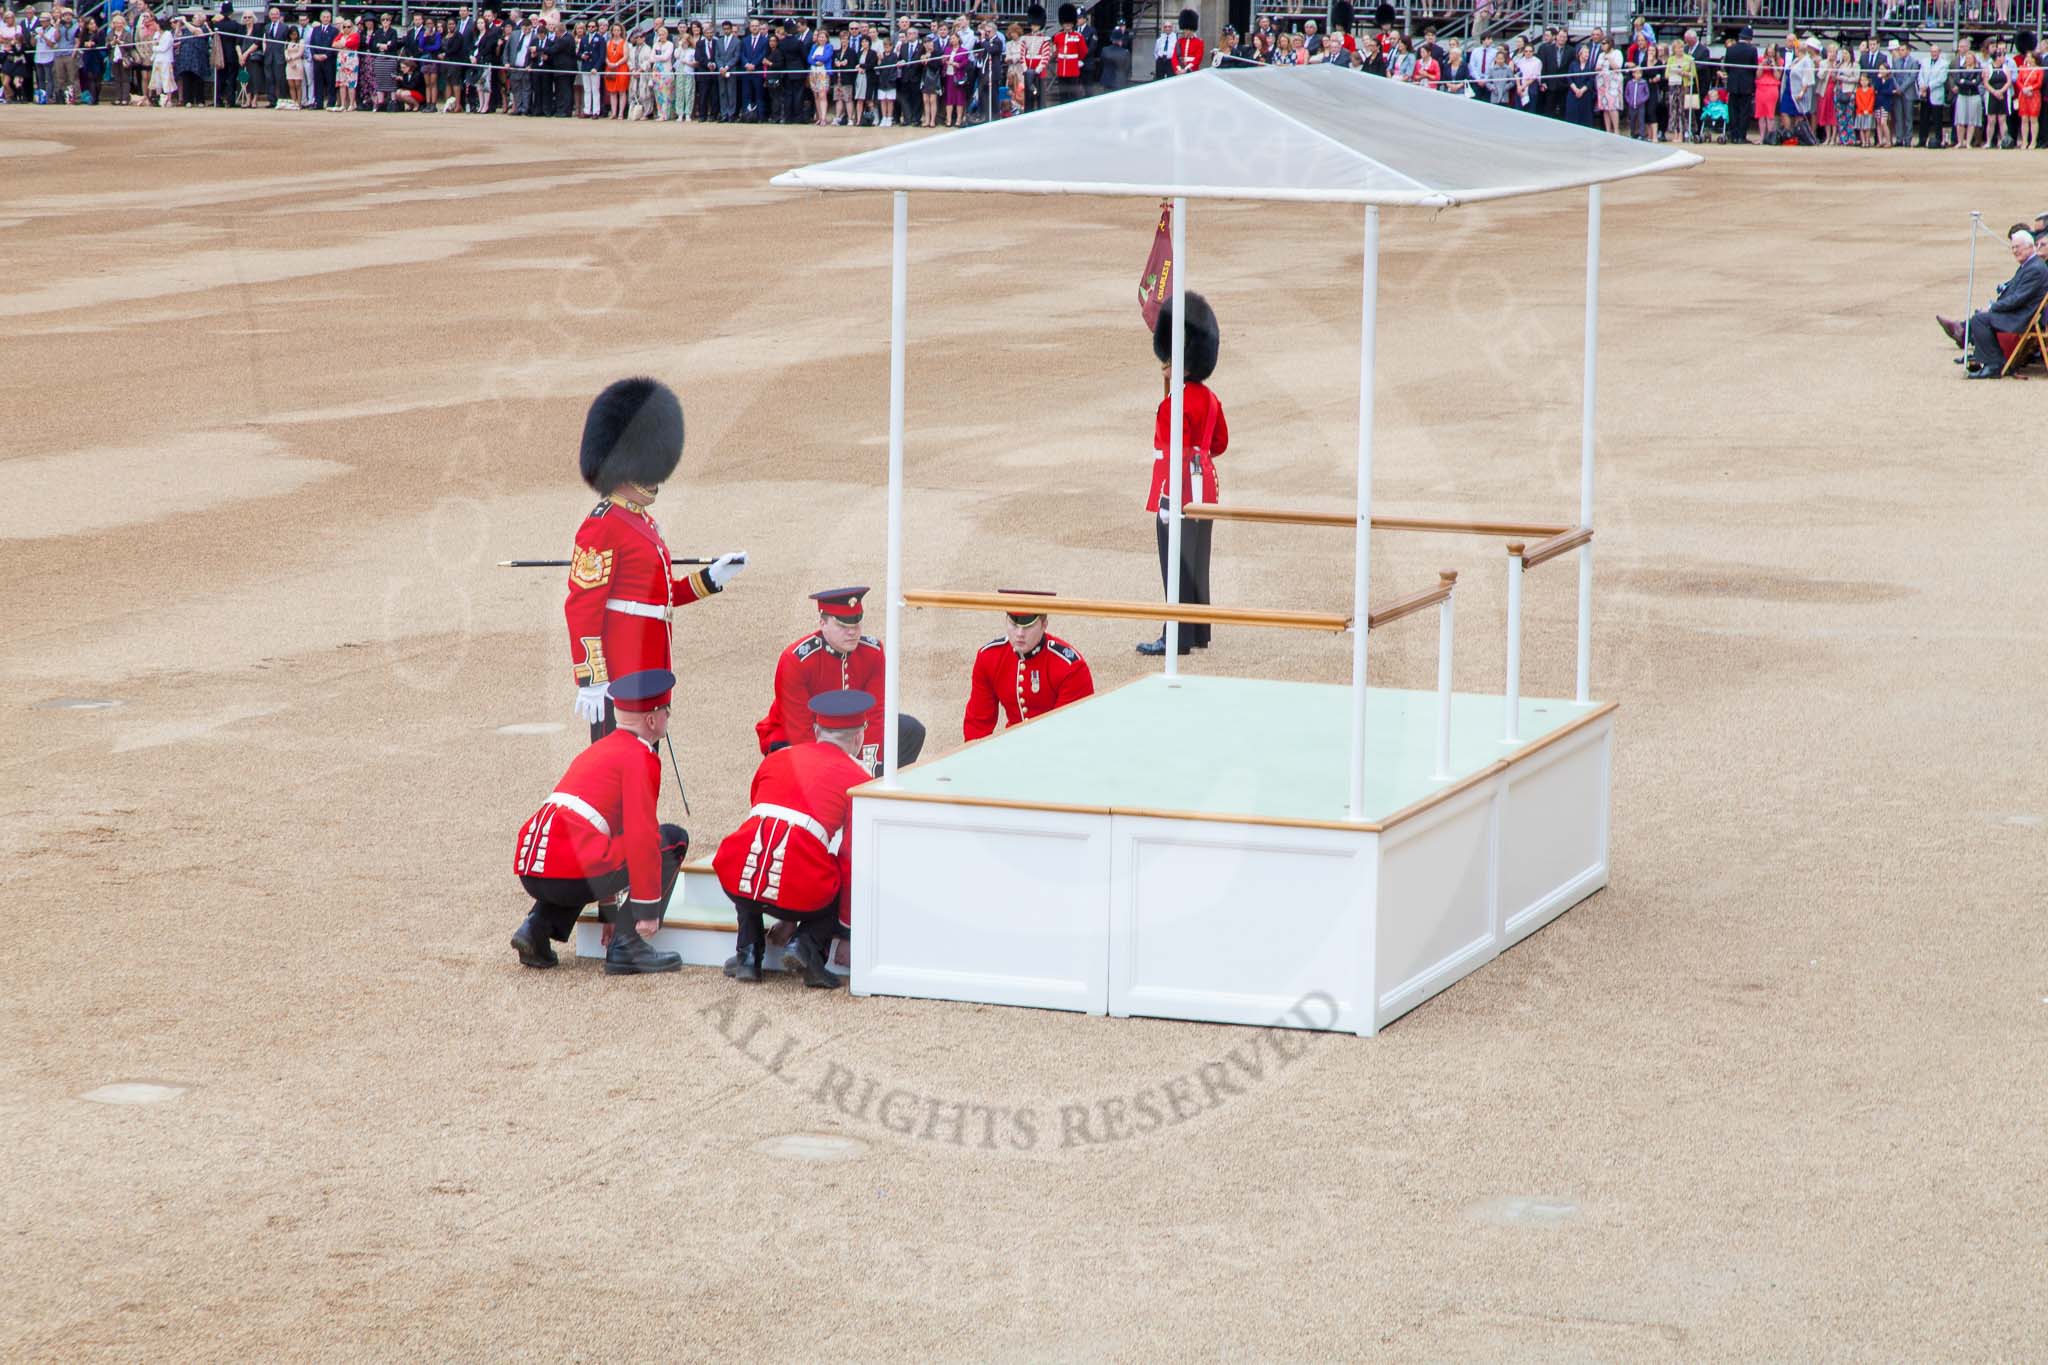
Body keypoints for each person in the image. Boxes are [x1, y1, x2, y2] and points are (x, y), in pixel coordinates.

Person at [566, 377, 747, 741]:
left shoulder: (642, 521)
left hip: (651, 665)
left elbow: (659, 597)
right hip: (623, 671)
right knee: (618, 773)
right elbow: (583, 607)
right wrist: (592, 678)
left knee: (647, 768)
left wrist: (711, 579)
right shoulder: (602, 526)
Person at [512, 669, 689, 976]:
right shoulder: (640, 756)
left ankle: (535, 927)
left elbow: (604, 833)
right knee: (672, 838)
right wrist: (644, 912)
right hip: (572, 867)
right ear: (651, 719)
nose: (667, 717)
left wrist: (608, 908)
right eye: (665, 711)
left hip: (534, 869)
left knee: (576, 860)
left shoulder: (598, 750)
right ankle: (628, 945)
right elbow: (640, 834)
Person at [715, 689, 875, 988]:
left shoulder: (778, 757)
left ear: (816, 731)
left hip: (738, 875)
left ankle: (748, 953)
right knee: (837, 868)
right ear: (858, 738)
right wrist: (846, 931)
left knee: (753, 846)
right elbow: (852, 856)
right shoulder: (859, 778)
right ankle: (807, 946)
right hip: (798, 889)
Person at [1139, 292, 1226, 658]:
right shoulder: (1209, 398)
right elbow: (1219, 443)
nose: (1165, 363)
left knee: (1174, 563)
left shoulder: (1175, 403)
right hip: (1205, 486)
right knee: (1197, 560)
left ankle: (1176, 635)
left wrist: (1169, 498)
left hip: (1177, 490)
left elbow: (1173, 454)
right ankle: (1197, 631)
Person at [757, 588, 925, 770]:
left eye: (856, 625)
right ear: (823, 623)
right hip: (802, 732)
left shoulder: (873, 652)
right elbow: (799, 729)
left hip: (850, 727)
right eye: (842, 626)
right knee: (794, 761)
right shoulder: (796, 660)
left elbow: (875, 714)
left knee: (911, 730)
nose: (852, 632)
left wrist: (869, 766)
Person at [963, 593, 1094, 741]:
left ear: (1044, 625)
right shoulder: (989, 657)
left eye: (1028, 626)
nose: (1019, 634)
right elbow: (977, 727)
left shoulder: (1070, 667)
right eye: (1014, 624)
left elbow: (1068, 733)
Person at [1938, 228, 2047, 379]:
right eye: (2013, 247)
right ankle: (1985, 360)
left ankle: (1994, 364)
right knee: (1981, 316)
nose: (2015, 251)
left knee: (1980, 319)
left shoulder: (2035, 268)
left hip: (2022, 317)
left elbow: (2018, 299)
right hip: (2020, 312)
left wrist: (1992, 307)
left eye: (2018, 247)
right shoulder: (2030, 265)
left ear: (2029, 246)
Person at [1048, 2, 1083, 104]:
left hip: (1073, 70)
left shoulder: (1078, 36)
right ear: (1062, 24)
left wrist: (1077, 60)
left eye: (1069, 24)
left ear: (1072, 24)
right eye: (1065, 24)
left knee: (1073, 94)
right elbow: (1056, 50)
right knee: (1062, 94)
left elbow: (1083, 51)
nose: (1067, 25)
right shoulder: (1058, 36)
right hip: (1062, 70)